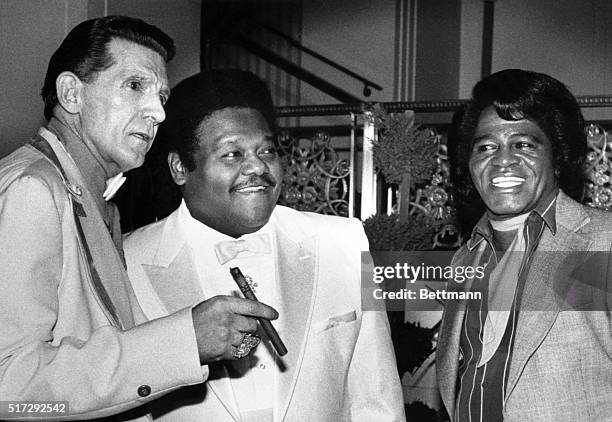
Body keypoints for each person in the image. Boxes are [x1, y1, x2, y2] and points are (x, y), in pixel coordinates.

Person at [0, 16, 277, 420]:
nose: (158, 113)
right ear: (71, 94)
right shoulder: (33, 190)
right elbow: (10, 387)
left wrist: (207, 339)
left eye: (161, 96)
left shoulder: (90, 195)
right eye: (135, 86)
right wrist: (187, 340)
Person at [123, 69, 406, 422]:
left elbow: (376, 399)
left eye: (267, 150)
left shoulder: (344, 243)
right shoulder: (127, 262)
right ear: (180, 168)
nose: (257, 166)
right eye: (232, 154)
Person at [437, 68, 612, 421]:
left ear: (557, 155)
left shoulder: (601, 241)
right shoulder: (466, 258)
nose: (503, 160)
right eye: (486, 146)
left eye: (523, 144)